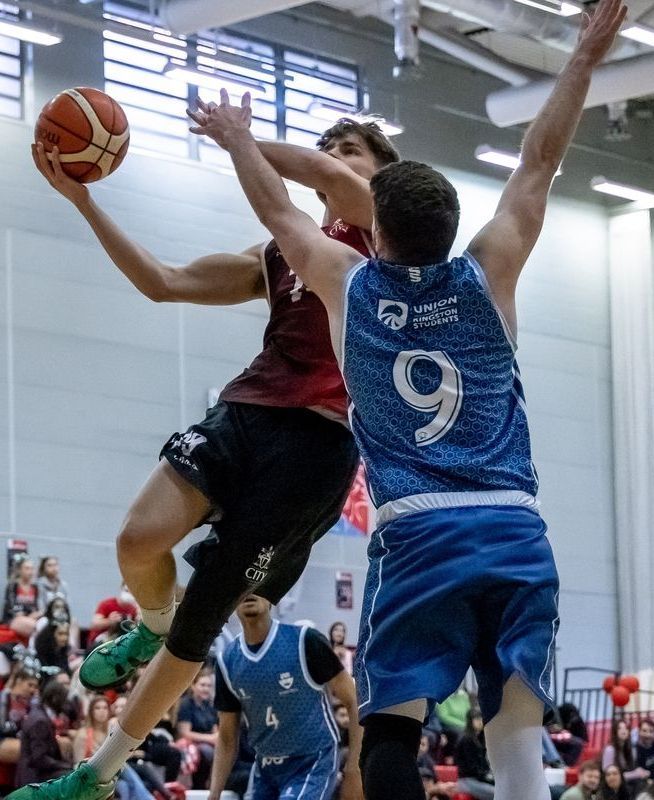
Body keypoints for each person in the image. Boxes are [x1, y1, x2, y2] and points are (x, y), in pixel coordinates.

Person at [186, 4, 627, 800]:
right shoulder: (490, 270)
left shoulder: (346, 285)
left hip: (419, 529)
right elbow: (539, 162)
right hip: (514, 524)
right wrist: (583, 58)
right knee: (516, 724)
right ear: (456, 226)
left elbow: (280, 213)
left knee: (390, 730)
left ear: (371, 227)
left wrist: (237, 139)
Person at [17, 108, 397, 798]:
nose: (336, 158)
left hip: (318, 446)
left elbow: (316, 175)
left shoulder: (388, 230)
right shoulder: (280, 251)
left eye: (352, 150)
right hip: (246, 413)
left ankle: (95, 778)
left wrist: (240, 138)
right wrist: (84, 199)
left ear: (382, 172)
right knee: (138, 541)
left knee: (201, 626)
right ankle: (148, 627)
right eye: (331, 147)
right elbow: (163, 281)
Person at [209, 595, 362, 800]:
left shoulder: (305, 640)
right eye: (244, 586)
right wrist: (213, 795)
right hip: (265, 766)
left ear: (273, 598)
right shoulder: (227, 660)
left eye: (260, 585)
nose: (251, 592)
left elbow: (354, 700)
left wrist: (355, 765)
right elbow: (227, 737)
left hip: (313, 760)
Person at [15, 681, 72, 788]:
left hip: (35, 775)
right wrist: (68, 766)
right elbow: (40, 759)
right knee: (71, 777)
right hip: (34, 780)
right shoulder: (40, 721)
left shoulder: (39, 714)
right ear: (54, 698)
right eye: (64, 699)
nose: (66, 704)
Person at [176, 671, 217, 790]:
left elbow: (215, 728)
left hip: (209, 741)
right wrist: (210, 739)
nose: (206, 689)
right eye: (202, 685)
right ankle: (199, 787)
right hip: (190, 743)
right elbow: (184, 733)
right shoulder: (186, 704)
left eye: (209, 686)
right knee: (207, 751)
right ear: (193, 686)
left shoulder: (209, 706)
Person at [454, 711, 494, 800]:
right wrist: (487, 777)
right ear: (470, 721)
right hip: (467, 780)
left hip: (480, 778)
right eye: (477, 719)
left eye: (481, 718)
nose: (480, 721)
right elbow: (472, 767)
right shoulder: (466, 740)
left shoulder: (481, 738)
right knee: (496, 793)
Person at [602, 719, 649, 792]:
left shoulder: (626, 749)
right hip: (612, 788)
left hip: (624, 785)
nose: (623, 730)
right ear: (615, 732)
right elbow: (609, 777)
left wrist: (639, 772)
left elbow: (629, 771)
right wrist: (635, 774)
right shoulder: (610, 750)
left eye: (626, 728)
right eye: (619, 728)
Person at [2, 558, 43, 641]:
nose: (30, 571)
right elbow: (13, 609)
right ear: (20, 570)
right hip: (13, 620)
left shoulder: (35, 587)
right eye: (27, 568)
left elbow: (37, 608)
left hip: (30, 618)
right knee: (37, 627)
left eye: (32, 568)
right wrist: (29, 615)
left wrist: (38, 613)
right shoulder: (12, 586)